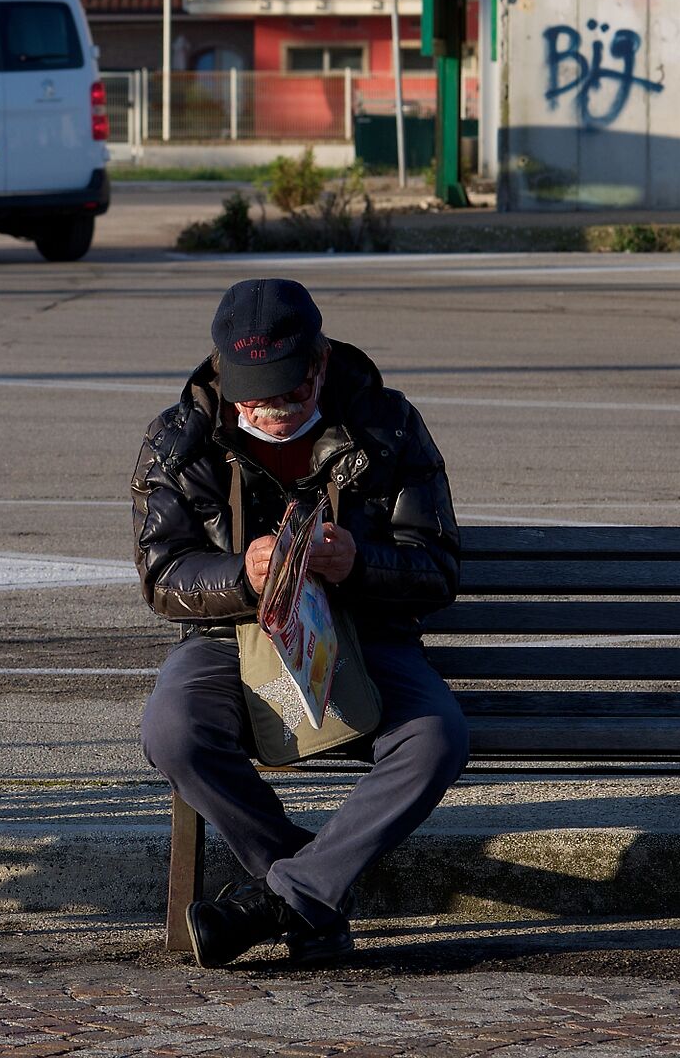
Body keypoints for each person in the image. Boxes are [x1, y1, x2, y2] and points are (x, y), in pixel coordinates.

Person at [134, 276, 467, 968]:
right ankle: (309, 893)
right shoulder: (178, 440)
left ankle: (277, 898)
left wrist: (360, 564)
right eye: (255, 396)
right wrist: (239, 575)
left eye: (290, 390)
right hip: (232, 634)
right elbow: (164, 575)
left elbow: (436, 567)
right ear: (224, 372)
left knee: (436, 739)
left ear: (318, 363)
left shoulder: (386, 422)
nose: (275, 410)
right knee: (173, 727)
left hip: (369, 634)